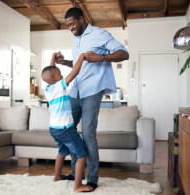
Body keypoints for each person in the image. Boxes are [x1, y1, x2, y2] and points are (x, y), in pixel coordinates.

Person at [55, 7, 129, 191]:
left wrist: (101, 57)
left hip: (92, 90)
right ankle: (75, 173)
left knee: (88, 135)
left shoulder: (100, 34)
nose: (70, 28)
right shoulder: (76, 39)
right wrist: (64, 62)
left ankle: (92, 178)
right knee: (69, 131)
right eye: (67, 25)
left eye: (72, 23)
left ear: (81, 19)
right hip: (75, 91)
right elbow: (80, 64)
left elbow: (124, 53)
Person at [42, 52, 94, 193]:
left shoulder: (48, 88)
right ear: (54, 78)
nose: (62, 74)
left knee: (62, 151)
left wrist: (53, 56)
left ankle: (57, 176)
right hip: (65, 129)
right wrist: (82, 56)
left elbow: (50, 70)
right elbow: (74, 72)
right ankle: (78, 186)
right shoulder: (60, 86)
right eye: (59, 73)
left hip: (54, 128)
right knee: (82, 154)